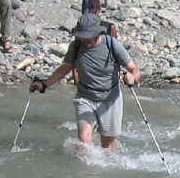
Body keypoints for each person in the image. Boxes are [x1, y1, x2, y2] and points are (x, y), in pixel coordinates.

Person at [28, 13, 141, 152]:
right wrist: (44, 84)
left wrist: (132, 78)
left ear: (97, 32)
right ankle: (86, 172)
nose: (85, 40)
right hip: (85, 97)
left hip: (110, 98)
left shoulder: (112, 45)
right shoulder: (75, 46)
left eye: (88, 36)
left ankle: (107, 170)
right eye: (82, 36)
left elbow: (134, 69)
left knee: (108, 144)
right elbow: (64, 68)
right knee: (84, 139)